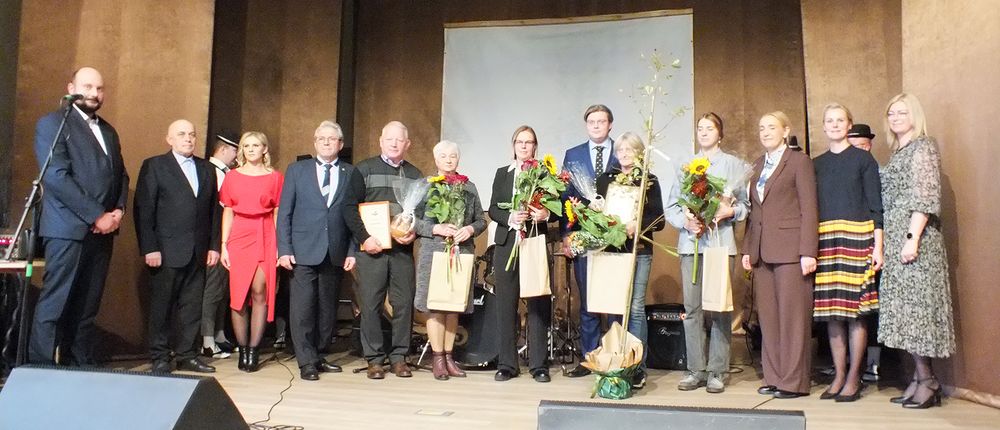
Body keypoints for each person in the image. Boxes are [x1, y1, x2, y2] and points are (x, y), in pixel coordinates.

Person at [29, 67, 129, 366]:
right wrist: (97, 215)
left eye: (99, 88)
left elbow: (120, 175)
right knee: (56, 303)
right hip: (67, 229)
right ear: (71, 88)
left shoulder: (108, 130)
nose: (94, 94)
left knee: (88, 304)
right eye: (87, 87)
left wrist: (118, 211)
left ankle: (78, 365)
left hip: (103, 231)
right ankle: (41, 368)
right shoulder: (53, 123)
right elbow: (56, 176)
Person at [878, 93, 955, 409]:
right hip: (898, 239)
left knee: (917, 313)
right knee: (905, 313)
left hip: (916, 241)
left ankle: (929, 381)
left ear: (915, 115)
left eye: (902, 112)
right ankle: (918, 378)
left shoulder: (923, 147)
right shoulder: (898, 151)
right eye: (891, 113)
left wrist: (912, 238)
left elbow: (925, 196)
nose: (896, 117)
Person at [666, 113, 749, 394]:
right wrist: (686, 221)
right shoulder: (687, 166)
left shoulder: (732, 165)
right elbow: (672, 207)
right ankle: (695, 369)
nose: (703, 132)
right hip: (691, 245)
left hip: (720, 244)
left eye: (709, 128)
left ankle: (717, 370)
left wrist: (729, 211)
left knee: (719, 308)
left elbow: (745, 206)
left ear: (720, 134)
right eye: (700, 128)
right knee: (692, 309)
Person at [741, 111, 818, 399]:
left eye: (771, 127)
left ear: (785, 131)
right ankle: (773, 376)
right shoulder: (757, 165)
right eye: (762, 127)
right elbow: (754, 213)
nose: (765, 132)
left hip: (791, 251)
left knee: (793, 319)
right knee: (769, 319)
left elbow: (809, 208)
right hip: (762, 251)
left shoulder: (799, 161)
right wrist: (748, 248)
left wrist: (808, 251)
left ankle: (794, 382)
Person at [134, 119, 221, 374]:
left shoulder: (206, 168)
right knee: (162, 307)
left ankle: (187, 355)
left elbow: (213, 211)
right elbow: (144, 210)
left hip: (198, 251)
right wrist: (149, 247)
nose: (188, 139)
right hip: (165, 251)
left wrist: (214, 246)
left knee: (192, 307)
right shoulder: (155, 166)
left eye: (192, 134)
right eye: (182, 134)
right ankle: (160, 356)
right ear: (169, 139)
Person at [812, 104, 884, 402]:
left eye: (840, 120)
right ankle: (839, 374)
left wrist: (878, 246)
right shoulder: (816, 164)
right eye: (829, 120)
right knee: (833, 313)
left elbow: (876, 205)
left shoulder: (864, 159)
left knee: (856, 313)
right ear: (823, 126)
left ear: (849, 125)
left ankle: (855, 376)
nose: (834, 124)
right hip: (826, 239)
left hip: (858, 237)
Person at [276, 121, 357, 380]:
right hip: (302, 251)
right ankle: (306, 361)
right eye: (321, 138)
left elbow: (354, 216)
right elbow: (285, 213)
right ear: (315, 142)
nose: (326, 142)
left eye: (331, 139)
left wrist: (352, 251)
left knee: (327, 310)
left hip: (335, 251)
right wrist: (284, 249)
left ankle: (319, 354)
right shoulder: (297, 170)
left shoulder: (350, 172)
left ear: (340, 144)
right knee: (302, 309)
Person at [343, 121, 423, 379]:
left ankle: (400, 357)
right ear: (380, 141)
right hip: (371, 250)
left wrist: (413, 232)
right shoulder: (364, 169)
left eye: (399, 140)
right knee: (370, 304)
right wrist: (365, 238)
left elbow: (421, 214)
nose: (394, 144)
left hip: (401, 251)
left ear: (408, 144)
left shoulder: (415, 175)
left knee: (403, 304)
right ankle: (374, 359)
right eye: (389, 139)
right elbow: (349, 208)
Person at [595, 131, 666, 389]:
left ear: (639, 153)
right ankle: (616, 361)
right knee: (615, 307)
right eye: (621, 151)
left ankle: (637, 367)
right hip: (613, 252)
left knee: (635, 308)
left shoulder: (649, 180)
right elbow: (600, 214)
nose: (624, 155)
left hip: (640, 251)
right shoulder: (606, 179)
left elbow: (659, 219)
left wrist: (638, 225)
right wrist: (596, 212)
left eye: (630, 150)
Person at [413, 140, 486, 380]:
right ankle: (437, 358)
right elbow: (413, 221)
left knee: (454, 307)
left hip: (461, 252)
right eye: (443, 156)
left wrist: (470, 230)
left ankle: (449, 356)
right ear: (436, 159)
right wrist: (436, 228)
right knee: (435, 306)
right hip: (433, 253)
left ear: (458, 159)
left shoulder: (469, 187)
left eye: (453, 155)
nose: (448, 159)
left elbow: (481, 220)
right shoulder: (425, 186)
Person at [489, 125, 553, 382]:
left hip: (534, 241)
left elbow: (556, 209)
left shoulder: (544, 174)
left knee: (538, 303)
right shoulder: (502, 173)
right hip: (507, 243)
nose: (524, 146)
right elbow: (493, 208)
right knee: (506, 304)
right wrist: (509, 217)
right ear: (513, 146)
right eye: (520, 142)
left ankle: (539, 365)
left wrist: (546, 214)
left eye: (529, 142)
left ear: (535, 146)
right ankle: (507, 364)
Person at [562, 104, 620, 378]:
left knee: (615, 302)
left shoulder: (622, 152)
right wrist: (567, 235)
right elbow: (565, 197)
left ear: (610, 125)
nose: (596, 126)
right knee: (588, 301)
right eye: (591, 122)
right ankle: (589, 359)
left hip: (615, 238)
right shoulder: (573, 154)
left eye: (601, 121)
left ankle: (617, 358)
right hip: (583, 237)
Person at [219, 131, 284, 372]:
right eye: (246, 146)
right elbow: (228, 210)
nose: (251, 149)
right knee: (238, 297)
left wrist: (278, 245)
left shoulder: (275, 177)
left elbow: (277, 212)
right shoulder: (232, 176)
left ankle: (254, 350)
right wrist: (224, 245)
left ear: (264, 148)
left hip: (265, 233)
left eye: (255, 145)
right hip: (239, 235)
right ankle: (242, 348)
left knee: (259, 293)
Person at [202, 133, 239, 359]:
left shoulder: (228, 173)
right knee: (213, 290)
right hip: (215, 241)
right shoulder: (210, 171)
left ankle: (219, 334)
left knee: (223, 290)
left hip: (230, 240)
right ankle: (207, 339)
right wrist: (215, 244)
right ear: (224, 149)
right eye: (235, 150)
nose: (237, 156)